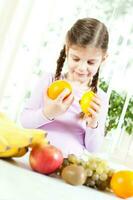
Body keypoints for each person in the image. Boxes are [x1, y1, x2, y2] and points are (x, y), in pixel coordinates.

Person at [20, 18, 109, 157]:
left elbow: (93, 148)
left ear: (103, 59)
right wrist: (48, 113)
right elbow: (25, 122)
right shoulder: (49, 81)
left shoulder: (99, 98)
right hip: (36, 157)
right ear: (67, 50)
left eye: (91, 62)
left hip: (69, 167)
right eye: (76, 59)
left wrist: (93, 124)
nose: (82, 68)